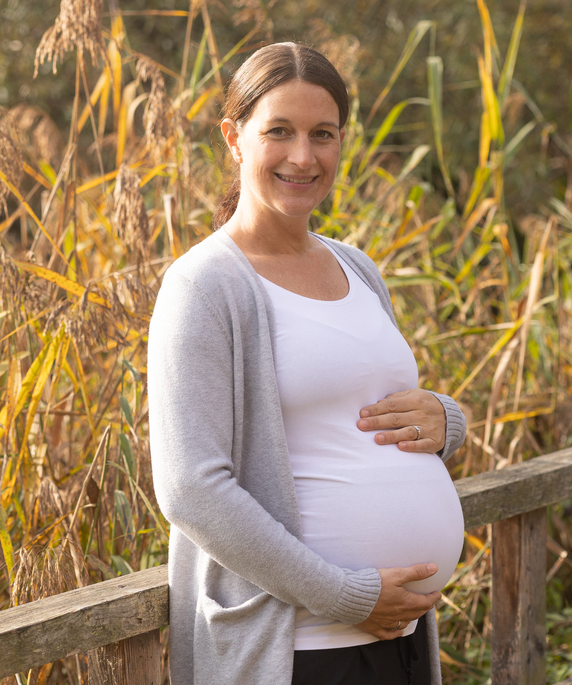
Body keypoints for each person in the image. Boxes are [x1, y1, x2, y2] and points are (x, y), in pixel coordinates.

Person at [148, 42, 466, 685]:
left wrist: (445, 418)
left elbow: (362, 408)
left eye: (323, 134)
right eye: (279, 132)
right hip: (298, 648)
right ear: (234, 138)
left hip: (398, 635)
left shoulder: (356, 266)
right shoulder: (205, 285)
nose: (304, 156)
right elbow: (191, 489)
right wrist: (344, 595)